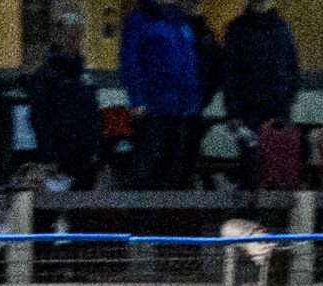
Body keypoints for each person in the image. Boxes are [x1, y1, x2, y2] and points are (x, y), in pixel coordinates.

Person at [120, 0, 206, 189]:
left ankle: (169, 216)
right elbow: (130, 62)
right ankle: (139, 216)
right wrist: (138, 99)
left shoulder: (181, 22)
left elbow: (190, 64)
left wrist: (193, 101)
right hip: (152, 110)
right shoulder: (139, 21)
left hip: (182, 110)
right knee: (147, 168)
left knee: (176, 168)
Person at [221, 0, 300, 187]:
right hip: (249, 109)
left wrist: (290, 92)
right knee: (251, 166)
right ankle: (249, 213)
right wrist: (233, 113)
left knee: (278, 165)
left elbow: (292, 64)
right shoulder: (238, 29)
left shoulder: (282, 28)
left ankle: (273, 213)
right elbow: (230, 73)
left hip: (278, 108)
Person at [27, 11, 101, 189]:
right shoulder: (46, 76)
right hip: (59, 154)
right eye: (69, 34)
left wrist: (96, 148)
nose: (73, 40)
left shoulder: (83, 75)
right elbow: (39, 118)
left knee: (82, 208)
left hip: (84, 155)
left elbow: (92, 114)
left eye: (77, 35)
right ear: (59, 37)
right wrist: (49, 156)